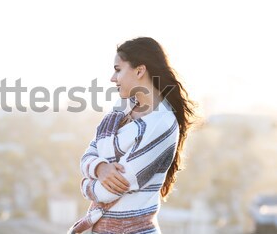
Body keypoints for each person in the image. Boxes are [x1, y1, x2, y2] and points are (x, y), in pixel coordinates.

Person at [68, 37, 196, 234]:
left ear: (139, 70)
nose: (112, 78)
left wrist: (85, 182)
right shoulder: (121, 108)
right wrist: (100, 168)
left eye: (118, 69)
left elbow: (108, 192)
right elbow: (89, 153)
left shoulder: (160, 123)